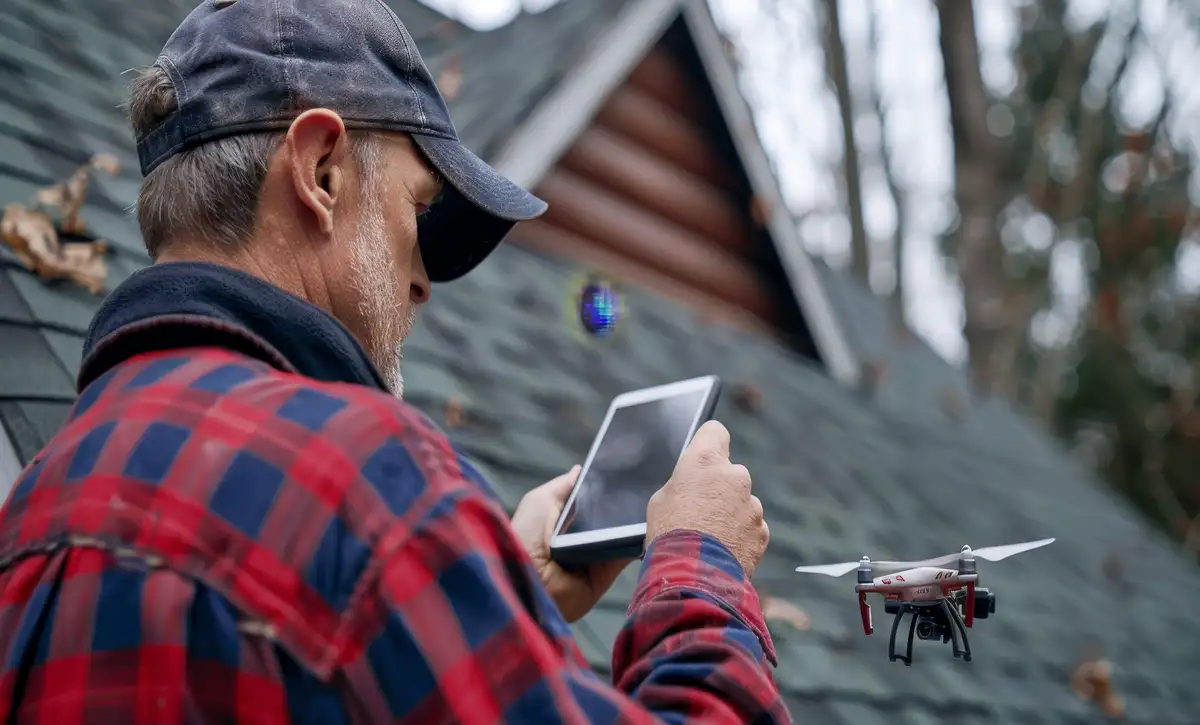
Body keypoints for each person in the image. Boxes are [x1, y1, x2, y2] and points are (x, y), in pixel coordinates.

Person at [0, 0, 785, 722]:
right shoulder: (372, 482)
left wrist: (488, 580)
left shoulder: (40, 499)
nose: (421, 283)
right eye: (418, 209)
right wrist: (699, 565)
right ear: (320, 171)